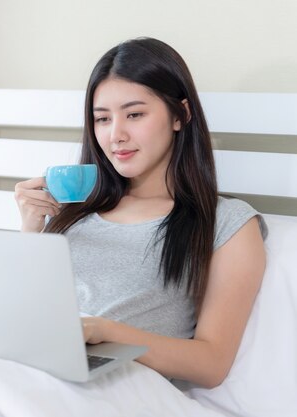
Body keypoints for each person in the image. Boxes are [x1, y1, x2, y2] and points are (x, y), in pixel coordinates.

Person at [14, 37, 267, 389]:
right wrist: (31, 231)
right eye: (102, 119)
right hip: (31, 368)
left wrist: (108, 332)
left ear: (181, 115)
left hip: (119, 389)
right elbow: (23, 310)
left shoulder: (227, 223)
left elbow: (212, 364)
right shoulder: (73, 211)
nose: (116, 135)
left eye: (134, 114)